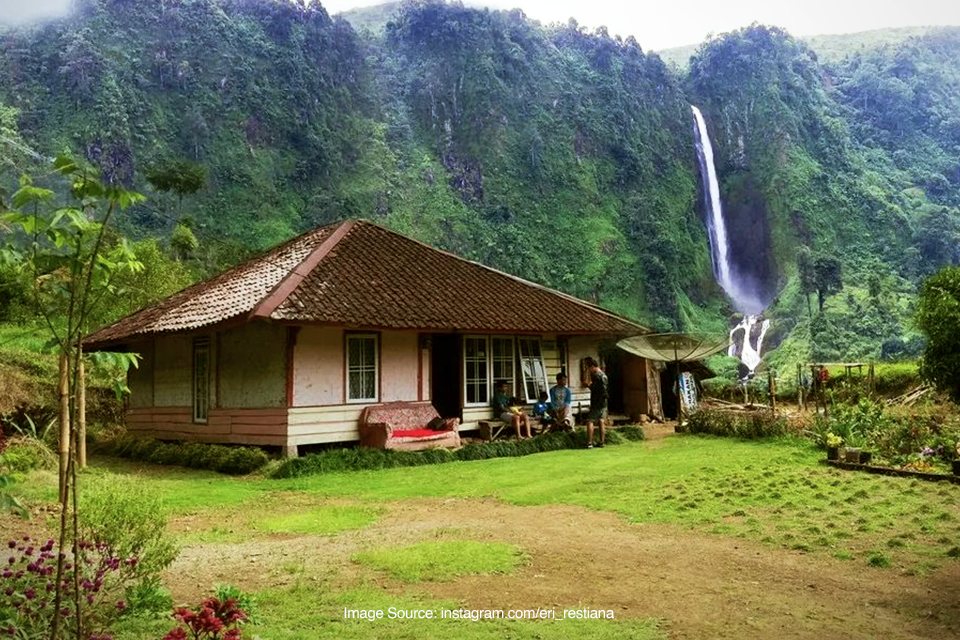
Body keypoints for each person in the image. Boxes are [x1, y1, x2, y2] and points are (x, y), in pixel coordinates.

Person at [583, 357, 608, 448]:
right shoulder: (604, 375)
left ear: (592, 366)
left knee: (590, 421)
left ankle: (589, 443)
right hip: (604, 400)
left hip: (597, 401)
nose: (589, 370)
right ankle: (602, 442)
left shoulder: (596, 375)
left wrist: (588, 385)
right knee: (601, 420)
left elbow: (595, 389)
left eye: (589, 368)